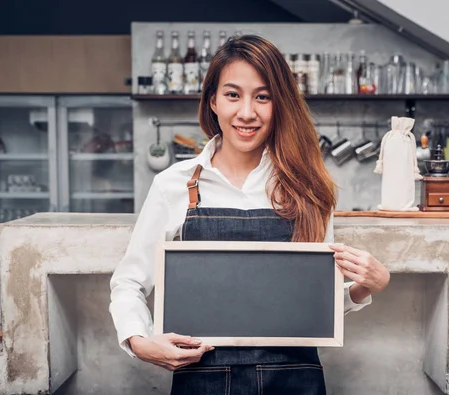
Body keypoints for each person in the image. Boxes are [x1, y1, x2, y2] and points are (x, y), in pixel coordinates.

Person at [109, 34, 391, 395]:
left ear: (281, 104)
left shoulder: (310, 189)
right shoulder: (173, 185)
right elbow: (129, 283)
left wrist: (366, 286)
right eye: (232, 95)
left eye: (263, 96)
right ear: (212, 101)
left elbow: (316, 306)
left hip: (295, 379)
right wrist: (138, 340)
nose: (246, 112)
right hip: (202, 379)